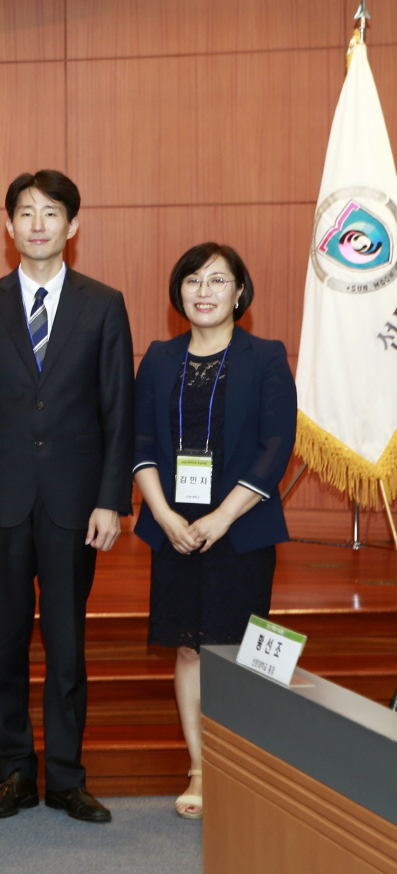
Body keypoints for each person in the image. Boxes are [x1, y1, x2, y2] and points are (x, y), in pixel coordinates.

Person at [0, 170, 133, 824]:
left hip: (74, 504)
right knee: (4, 641)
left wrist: (111, 500)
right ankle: (14, 772)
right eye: (25, 212)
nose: (37, 224)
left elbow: (118, 408)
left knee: (66, 642)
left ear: (72, 225)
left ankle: (66, 777)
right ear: (9, 226)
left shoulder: (103, 304)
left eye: (51, 212)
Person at [134, 243, 293, 820]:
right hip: (176, 528)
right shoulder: (159, 358)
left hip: (240, 528)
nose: (204, 291)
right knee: (190, 648)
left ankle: (248, 771)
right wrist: (165, 516)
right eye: (193, 280)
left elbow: (277, 446)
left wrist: (222, 517)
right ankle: (201, 769)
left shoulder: (266, 356)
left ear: (239, 292)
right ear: (179, 292)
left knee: (242, 651)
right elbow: (139, 443)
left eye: (218, 280)